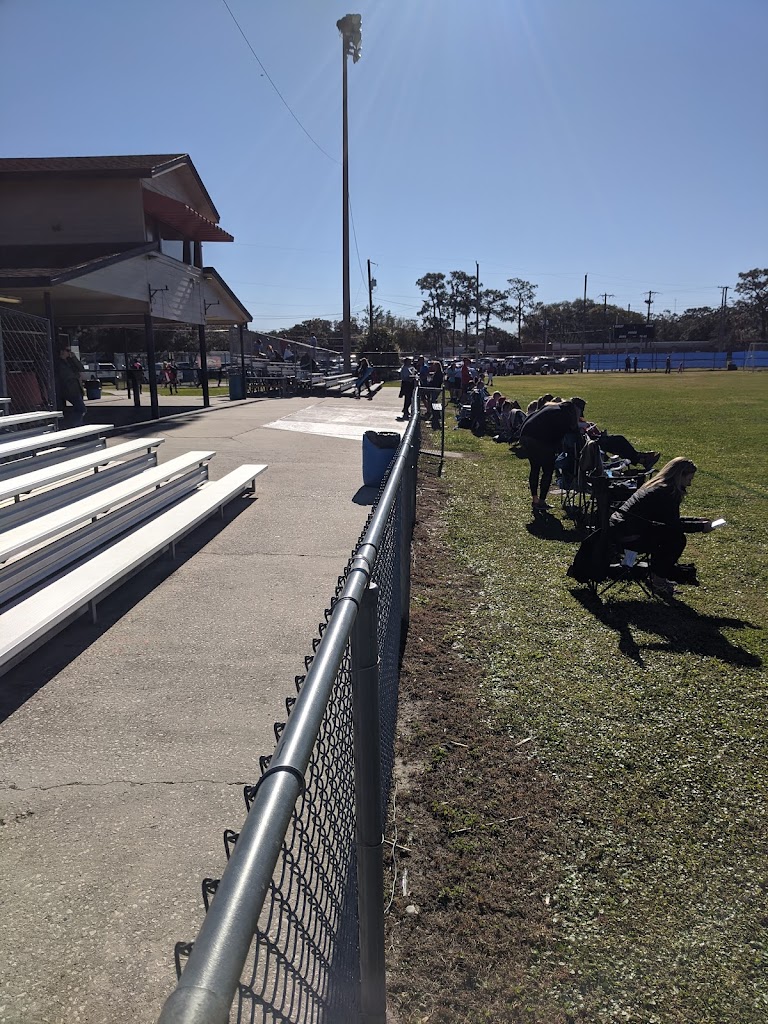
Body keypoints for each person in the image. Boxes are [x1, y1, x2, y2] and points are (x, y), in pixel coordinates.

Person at [609, 457, 712, 597]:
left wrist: (697, 521)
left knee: (666, 534)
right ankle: (658, 580)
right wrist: (701, 527)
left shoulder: (656, 486)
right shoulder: (667, 492)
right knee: (676, 539)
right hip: (630, 538)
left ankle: (639, 569)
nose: (689, 484)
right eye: (689, 479)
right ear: (680, 476)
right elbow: (673, 525)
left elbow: (668, 520)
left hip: (619, 530)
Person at [520, 399, 580, 511]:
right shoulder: (564, 415)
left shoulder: (550, 407)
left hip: (525, 435)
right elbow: (566, 434)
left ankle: (535, 499)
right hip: (540, 440)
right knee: (548, 470)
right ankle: (541, 501)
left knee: (535, 468)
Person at [56, 345, 86, 426]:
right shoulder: (59, 363)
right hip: (68, 389)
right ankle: (75, 424)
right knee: (81, 409)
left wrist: (74, 358)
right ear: (62, 351)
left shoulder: (70, 361)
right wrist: (75, 376)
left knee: (79, 408)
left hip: (76, 388)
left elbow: (81, 368)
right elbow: (65, 376)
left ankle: (78, 424)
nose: (69, 353)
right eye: (67, 350)